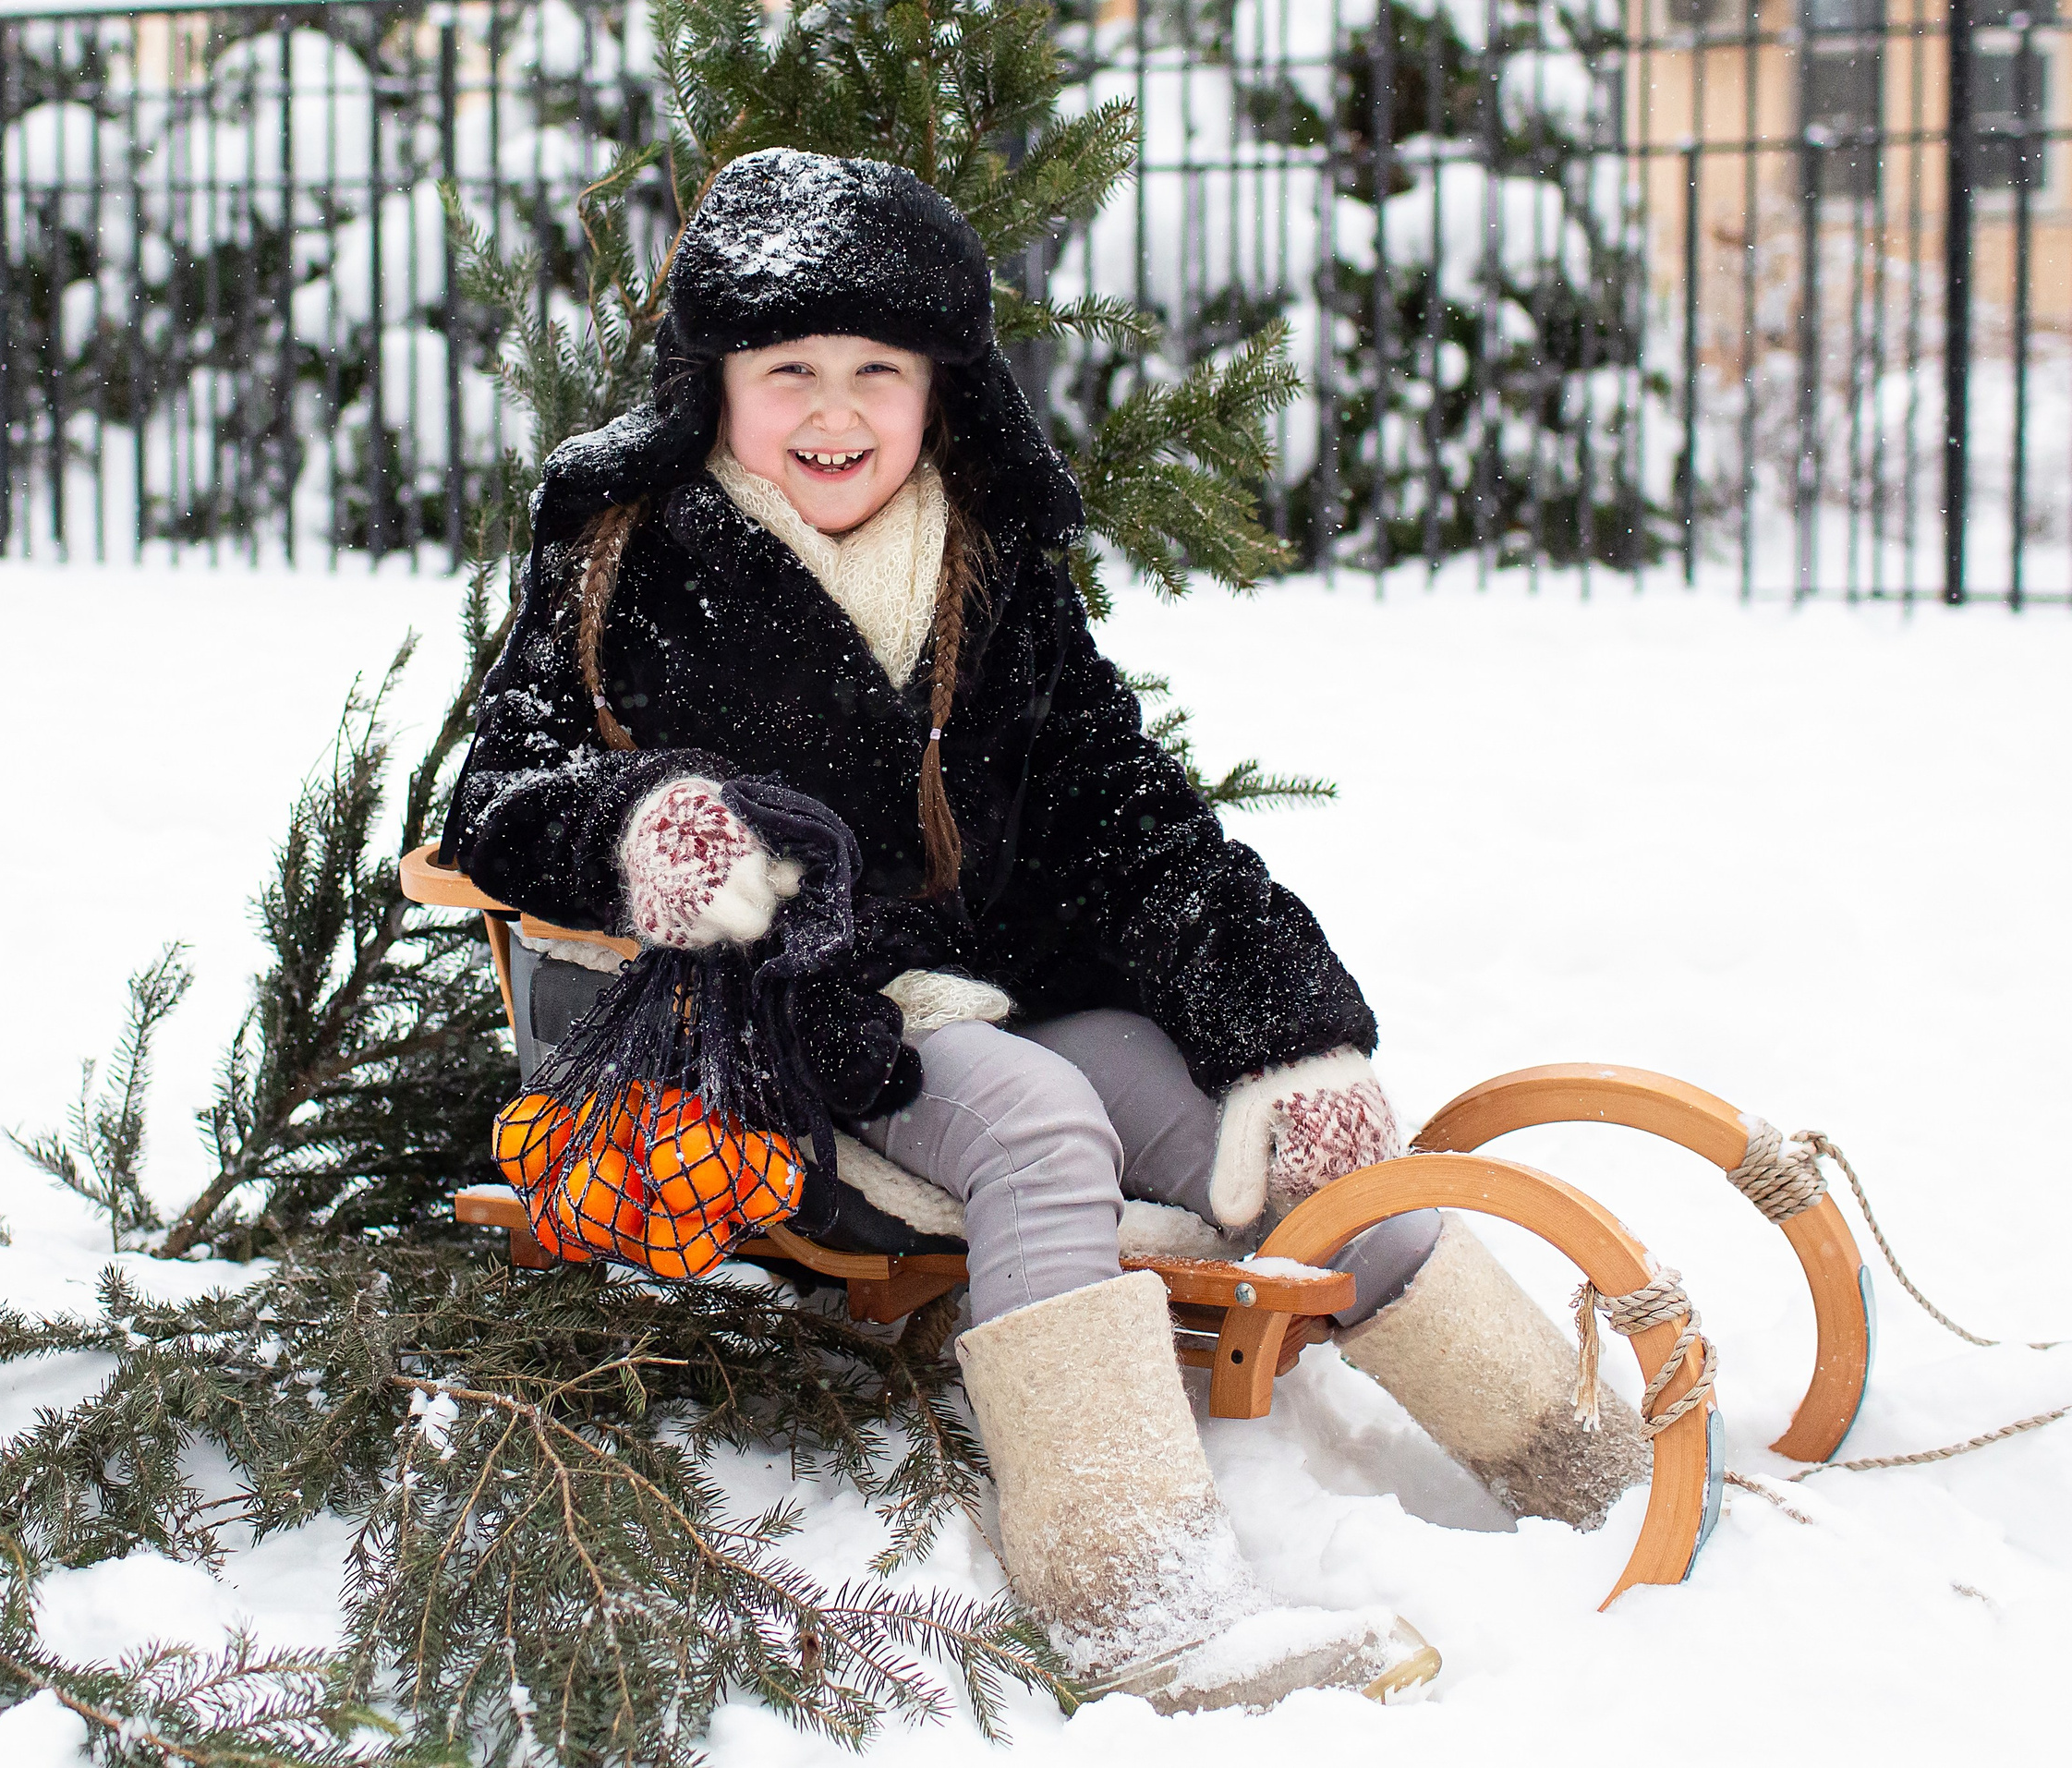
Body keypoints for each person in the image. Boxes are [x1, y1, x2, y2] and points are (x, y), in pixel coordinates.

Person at [441, 149, 1642, 1712]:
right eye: (787, 369)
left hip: (996, 993)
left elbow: (1125, 809)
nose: (835, 414)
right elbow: (503, 788)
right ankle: (1131, 1591)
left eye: (880, 371)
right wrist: (632, 833)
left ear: (941, 388)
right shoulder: (630, 554)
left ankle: (1576, 1454)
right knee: (1038, 1118)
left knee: (1265, 1127)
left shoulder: (987, 561)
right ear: (711, 381)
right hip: (782, 1033)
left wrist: (1287, 1032)